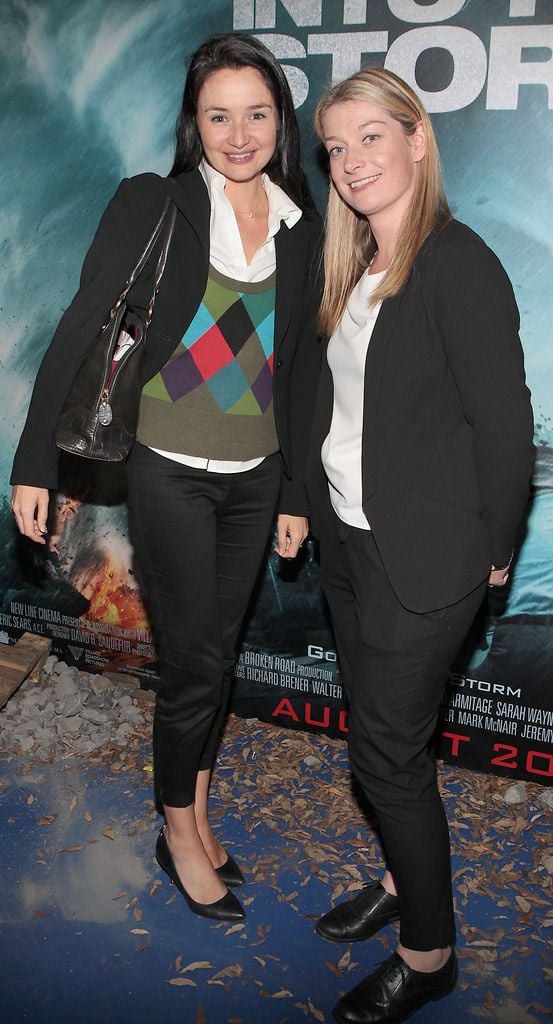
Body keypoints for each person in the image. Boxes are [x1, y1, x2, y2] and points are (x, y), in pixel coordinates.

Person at [11, 33, 321, 924]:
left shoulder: (301, 224)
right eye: (217, 114)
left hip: (256, 478)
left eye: (255, 113)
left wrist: (295, 490)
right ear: (194, 122)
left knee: (215, 658)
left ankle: (199, 805)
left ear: (279, 122)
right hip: (169, 473)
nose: (237, 133)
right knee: (191, 663)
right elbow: (78, 325)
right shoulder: (157, 203)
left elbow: (296, 368)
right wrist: (36, 461)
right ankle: (177, 828)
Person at [307, 68, 534, 1023]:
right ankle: (406, 883)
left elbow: (505, 428)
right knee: (387, 744)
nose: (352, 162)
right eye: (335, 148)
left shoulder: (457, 261)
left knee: (383, 758)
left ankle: (429, 952)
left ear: (416, 140)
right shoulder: (358, 264)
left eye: (369, 137)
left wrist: (492, 550)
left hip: (424, 560)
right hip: (355, 546)